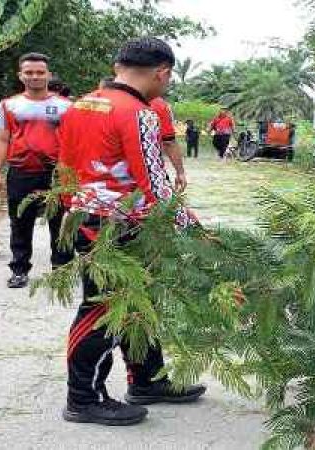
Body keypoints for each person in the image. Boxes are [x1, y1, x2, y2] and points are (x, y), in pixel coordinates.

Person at [58, 37, 206, 426]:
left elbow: (66, 168)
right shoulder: (139, 112)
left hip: (88, 216)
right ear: (162, 72)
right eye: (168, 79)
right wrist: (193, 229)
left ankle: (147, 380)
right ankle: (83, 398)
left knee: (139, 303)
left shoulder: (81, 104)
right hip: (114, 225)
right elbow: (154, 182)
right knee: (104, 309)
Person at [0, 53, 74, 289]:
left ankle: (62, 269)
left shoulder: (66, 107)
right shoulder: (7, 105)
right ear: (21, 75)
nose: (35, 76)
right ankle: (19, 269)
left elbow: (75, 142)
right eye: (29, 72)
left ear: (48, 75)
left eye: (40, 72)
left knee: (61, 222)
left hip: (58, 174)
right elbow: (1, 141)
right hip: (21, 172)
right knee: (20, 222)